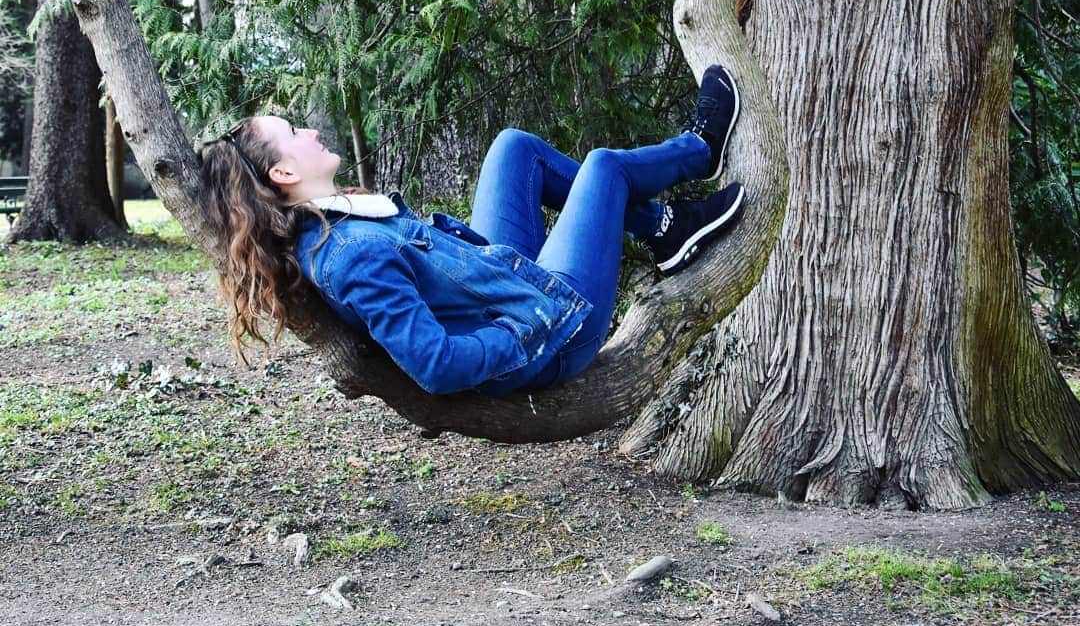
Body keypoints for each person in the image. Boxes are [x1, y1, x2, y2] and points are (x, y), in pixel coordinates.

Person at [199, 66, 746, 396]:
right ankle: (699, 152)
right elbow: (435, 363)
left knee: (515, 148)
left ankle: (664, 229)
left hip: (498, 280)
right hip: (552, 328)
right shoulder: (350, 256)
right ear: (284, 174)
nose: (312, 130)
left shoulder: (334, 219)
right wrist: (525, 329)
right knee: (605, 167)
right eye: (295, 132)